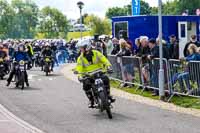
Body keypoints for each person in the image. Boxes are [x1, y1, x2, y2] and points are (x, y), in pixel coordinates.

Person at [75, 40, 115, 108]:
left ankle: (108, 95)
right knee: (86, 85)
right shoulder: (80, 58)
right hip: (88, 75)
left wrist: (108, 66)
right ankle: (91, 100)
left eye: (81, 48)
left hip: (99, 72)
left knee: (106, 79)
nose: (80, 49)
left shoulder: (96, 53)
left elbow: (104, 59)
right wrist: (79, 76)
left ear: (86, 47)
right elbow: (79, 68)